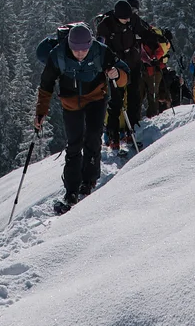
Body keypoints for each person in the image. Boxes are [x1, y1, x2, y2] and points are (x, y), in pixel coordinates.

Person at [34, 21, 127, 212]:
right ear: (69, 44)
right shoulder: (58, 55)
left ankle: (89, 180)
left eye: (83, 50)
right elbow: (46, 85)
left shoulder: (101, 51)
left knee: (93, 137)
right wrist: (41, 112)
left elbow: (125, 73)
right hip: (70, 103)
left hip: (95, 99)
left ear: (89, 45)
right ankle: (71, 189)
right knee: (74, 144)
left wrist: (117, 73)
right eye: (76, 50)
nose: (79, 54)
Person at [95, 0, 158, 151]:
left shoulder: (133, 20)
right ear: (117, 16)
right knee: (116, 100)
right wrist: (107, 66)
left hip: (134, 63)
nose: (128, 20)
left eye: (129, 17)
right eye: (125, 18)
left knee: (135, 97)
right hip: (116, 67)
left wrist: (153, 44)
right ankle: (113, 134)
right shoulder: (106, 25)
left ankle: (132, 132)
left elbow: (145, 32)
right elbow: (100, 47)